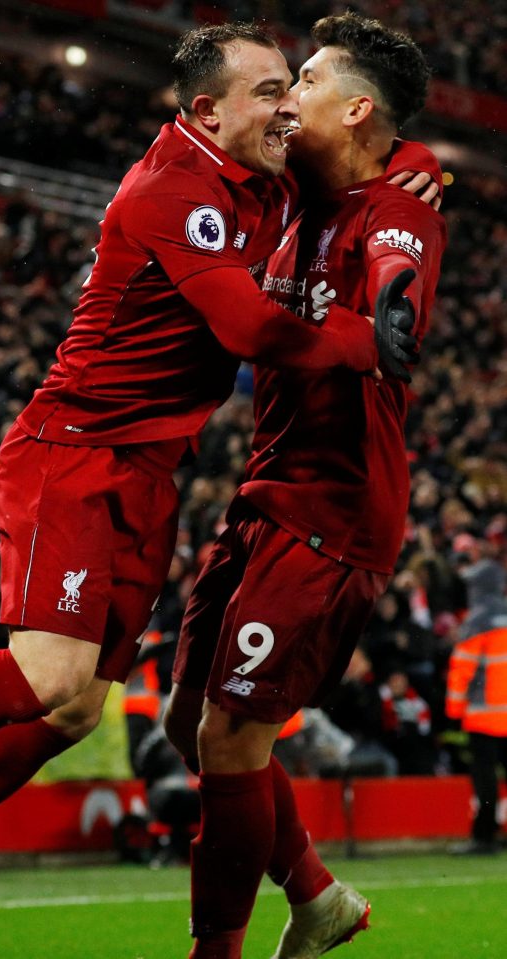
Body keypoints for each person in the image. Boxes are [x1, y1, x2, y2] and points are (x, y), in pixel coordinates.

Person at [0, 22, 420, 958]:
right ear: (208, 109)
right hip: (77, 454)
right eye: (269, 91)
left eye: (292, 88)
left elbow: (366, 154)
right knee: (55, 675)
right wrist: (365, 340)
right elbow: (252, 328)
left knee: (79, 707)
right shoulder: (178, 188)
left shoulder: (262, 170)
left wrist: (417, 163)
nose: (287, 106)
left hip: (150, 473)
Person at [164, 13, 446, 958]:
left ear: (357, 108)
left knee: (235, 737)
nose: (286, 99)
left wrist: (397, 293)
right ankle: (319, 896)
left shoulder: (396, 208)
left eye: (307, 82)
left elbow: (400, 255)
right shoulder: (291, 199)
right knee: (184, 724)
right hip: (265, 494)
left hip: (332, 511)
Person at [446, 557, 507, 855]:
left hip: (484, 717)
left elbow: (463, 670)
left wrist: (454, 712)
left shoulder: (476, 621)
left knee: (485, 781)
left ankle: (484, 837)